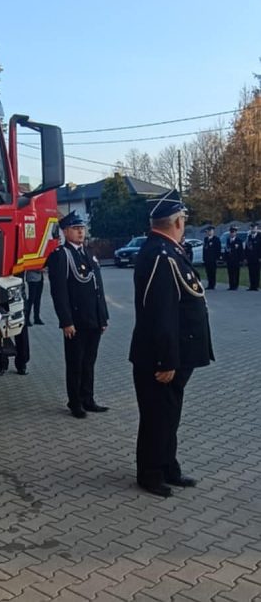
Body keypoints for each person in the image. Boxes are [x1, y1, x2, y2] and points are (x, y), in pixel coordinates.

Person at [129, 190, 214, 497]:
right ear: (178, 221)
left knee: (169, 415)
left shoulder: (168, 250)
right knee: (156, 417)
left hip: (176, 355)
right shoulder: (159, 255)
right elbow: (160, 313)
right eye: (184, 219)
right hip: (160, 358)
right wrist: (166, 361)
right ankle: (150, 474)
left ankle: (168, 467)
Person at [46, 211, 109, 418]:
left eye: (82, 228)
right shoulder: (60, 256)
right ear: (65, 231)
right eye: (75, 228)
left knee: (89, 362)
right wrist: (66, 321)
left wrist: (103, 317)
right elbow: (59, 292)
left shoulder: (88, 253)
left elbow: (98, 288)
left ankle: (88, 399)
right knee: (76, 363)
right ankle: (75, 402)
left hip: (93, 318)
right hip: (76, 320)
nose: (80, 232)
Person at [202, 225, 221, 289]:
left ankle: (213, 285)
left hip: (213, 259)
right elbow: (204, 250)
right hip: (207, 259)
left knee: (213, 272)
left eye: (210, 231)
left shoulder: (216, 239)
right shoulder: (206, 239)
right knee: (208, 272)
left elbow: (218, 249)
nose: (209, 232)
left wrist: (217, 258)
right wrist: (204, 258)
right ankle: (209, 284)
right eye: (208, 231)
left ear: (213, 232)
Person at [225, 226, 244, 290]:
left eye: (233, 232)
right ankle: (231, 285)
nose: (232, 233)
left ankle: (235, 285)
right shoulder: (228, 240)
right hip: (229, 260)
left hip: (236, 259)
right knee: (230, 273)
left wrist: (241, 259)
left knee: (236, 273)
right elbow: (226, 249)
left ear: (235, 233)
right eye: (231, 232)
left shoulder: (238, 240)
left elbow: (241, 250)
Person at [245, 222, 261, 291]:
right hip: (250, 258)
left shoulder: (259, 237)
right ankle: (251, 286)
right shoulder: (249, 237)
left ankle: (256, 286)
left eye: (254, 228)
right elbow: (246, 248)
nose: (253, 229)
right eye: (251, 228)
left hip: (257, 258)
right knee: (251, 272)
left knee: (256, 272)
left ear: (257, 228)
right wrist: (245, 257)